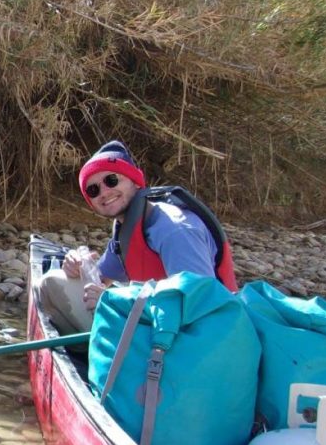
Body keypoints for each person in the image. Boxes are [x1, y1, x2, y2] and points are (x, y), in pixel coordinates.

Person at [37, 140, 237, 334]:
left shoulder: (175, 230)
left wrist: (117, 302)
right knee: (53, 281)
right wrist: (77, 267)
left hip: (199, 340)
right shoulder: (128, 226)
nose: (104, 193)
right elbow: (100, 280)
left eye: (112, 180)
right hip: (157, 327)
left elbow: (200, 308)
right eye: (93, 190)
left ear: (135, 181)